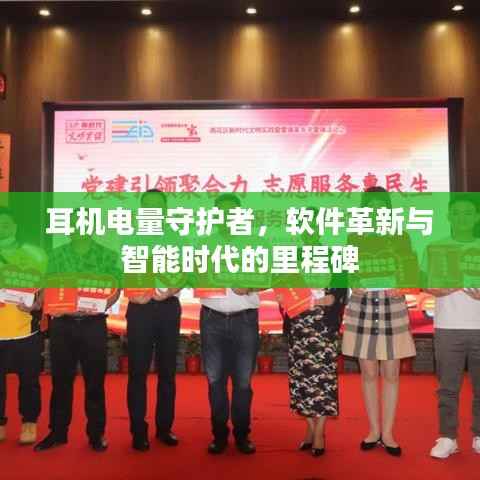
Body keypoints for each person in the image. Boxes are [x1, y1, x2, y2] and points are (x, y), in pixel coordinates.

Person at [342, 186, 417, 457]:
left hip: (391, 305)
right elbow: (347, 270)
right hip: (363, 305)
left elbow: (411, 270)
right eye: (370, 206)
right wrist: (354, 283)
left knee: (392, 373)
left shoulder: (401, 235)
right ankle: (373, 431)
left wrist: (403, 285)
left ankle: (388, 433)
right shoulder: (355, 236)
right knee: (369, 372)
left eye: (380, 206)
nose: (375, 211)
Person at [35, 232, 120, 453]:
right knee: (61, 381)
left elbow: (115, 288)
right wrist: (43, 302)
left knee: (95, 382)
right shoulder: (57, 254)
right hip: (63, 325)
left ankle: (96, 434)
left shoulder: (107, 255)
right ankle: (57, 432)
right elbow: (46, 287)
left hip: (93, 324)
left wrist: (100, 305)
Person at [200, 193, 260, 455]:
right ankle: (219, 434)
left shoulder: (254, 243)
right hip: (212, 319)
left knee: (243, 382)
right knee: (215, 381)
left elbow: (270, 275)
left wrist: (250, 286)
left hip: (244, 320)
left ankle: (242, 434)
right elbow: (192, 275)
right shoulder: (204, 244)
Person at [126, 189, 182, 452]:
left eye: (157, 205)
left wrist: (172, 289)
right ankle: (138, 431)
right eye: (147, 205)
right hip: (140, 310)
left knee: (167, 372)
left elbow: (186, 271)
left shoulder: (177, 238)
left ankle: (164, 428)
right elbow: (121, 273)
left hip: (168, 308)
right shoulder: (129, 238)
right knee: (137, 372)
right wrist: (133, 293)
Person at [425, 195, 480, 458]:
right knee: (447, 387)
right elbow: (425, 282)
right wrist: (437, 288)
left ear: (477, 217)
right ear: (449, 217)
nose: (462, 218)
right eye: (456, 213)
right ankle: (448, 437)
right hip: (448, 326)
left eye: (468, 213)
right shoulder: (436, 247)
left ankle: (479, 435)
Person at [0, 207, 46, 445]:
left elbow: (46, 285)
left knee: (29, 380)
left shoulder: (33, 253)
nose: (2, 229)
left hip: (25, 329)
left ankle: (29, 422)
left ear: (15, 227)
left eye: (6, 224)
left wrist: (38, 303)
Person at [287, 286, 347, 456]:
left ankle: (319, 431)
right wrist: (283, 297)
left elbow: (341, 284)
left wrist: (334, 297)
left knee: (324, 379)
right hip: (298, 322)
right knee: (300, 378)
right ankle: (311, 427)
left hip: (324, 323)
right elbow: (283, 283)